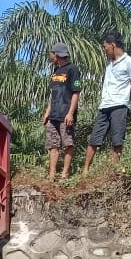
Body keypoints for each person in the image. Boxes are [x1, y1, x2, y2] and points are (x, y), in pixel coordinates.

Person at [82, 33, 131, 174]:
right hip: (104, 106)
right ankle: (85, 171)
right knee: (94, 138)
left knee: (117, 140)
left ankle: (113, 172)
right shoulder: (109, 63)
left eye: (105, 47)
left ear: (113, 45)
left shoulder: (130, 62)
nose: (104, 50)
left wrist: (124, 96)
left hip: (119, 106)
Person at [42, 42, 82, 179]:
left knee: (68, 144)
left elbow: (76, 93)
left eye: (51, 54)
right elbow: (53, 95)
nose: (50, 56)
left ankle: (64, 174)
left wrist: (71, 113)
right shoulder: (55, 71)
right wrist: (47, 113)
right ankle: (52, 174)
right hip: (53, 115)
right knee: (53, 145)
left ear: (57, 54)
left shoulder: (73, 69)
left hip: (66, 115)